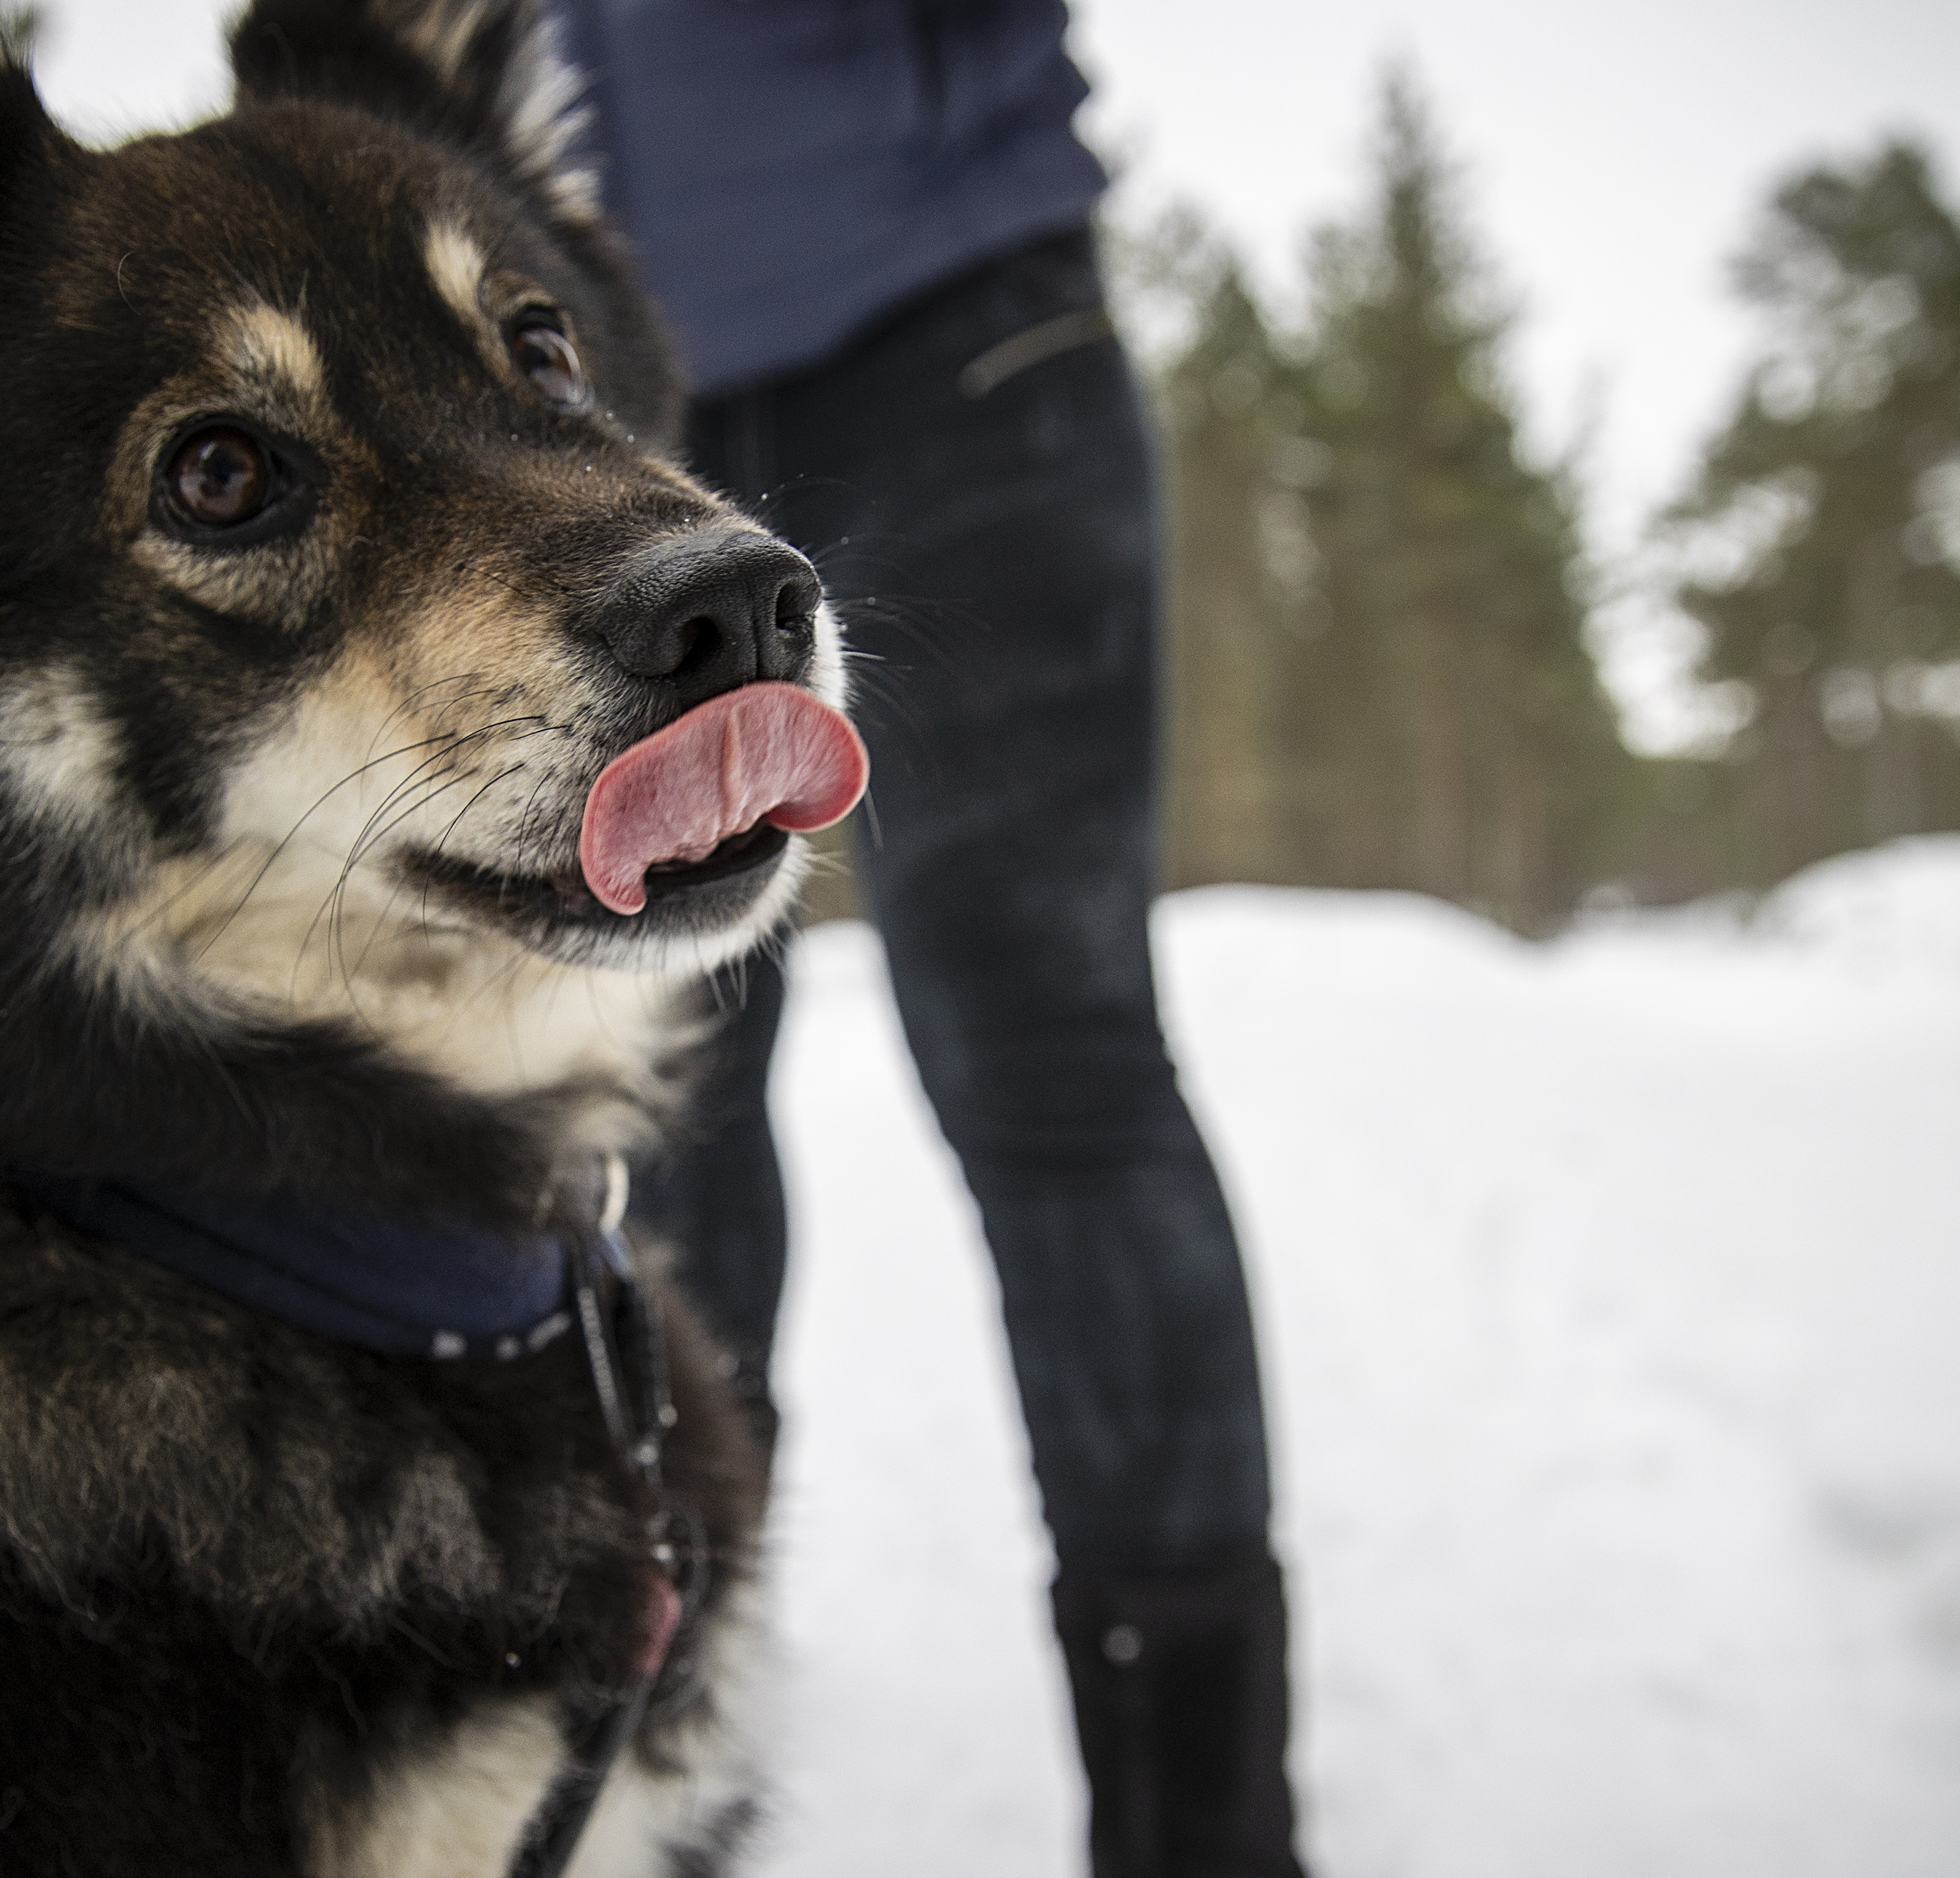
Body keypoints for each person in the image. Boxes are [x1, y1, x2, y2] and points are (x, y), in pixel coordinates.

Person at [543, 6, 1308, 1874]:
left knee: (1054, 1069)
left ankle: (1198, 1828)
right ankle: (669, 1758)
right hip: (615, 406)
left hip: (958, 344)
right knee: (669, 1086)